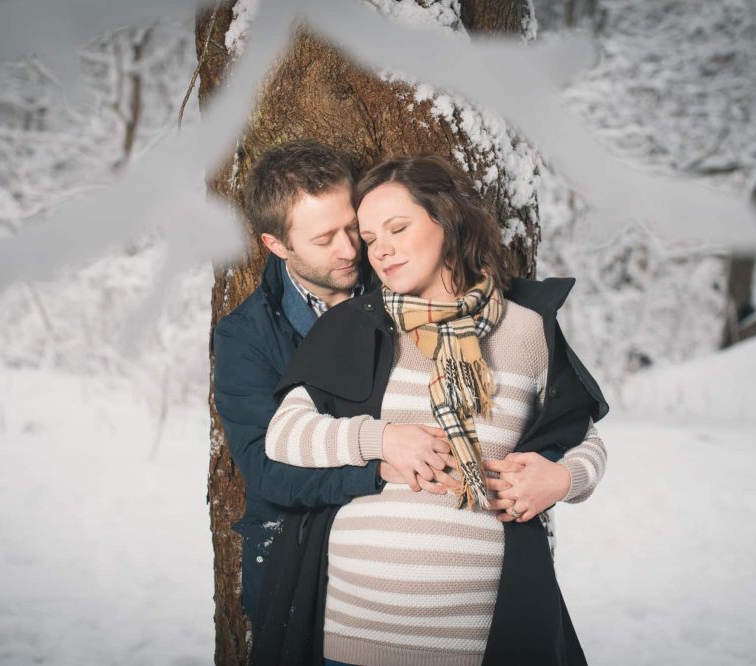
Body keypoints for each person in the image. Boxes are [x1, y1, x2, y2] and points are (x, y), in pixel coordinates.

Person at [255, 154, 609, 665]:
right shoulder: (357, 326)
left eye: (397, 228)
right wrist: (379, 438)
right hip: (354, 633)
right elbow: (285, 434)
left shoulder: (527, 331)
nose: (381, 250)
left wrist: (560, 480)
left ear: (446, 218)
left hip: (472, 638)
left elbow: (586, 441)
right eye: (371, 238)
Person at [212, 141, 459, 630]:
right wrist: (377, 467)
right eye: (325, 239)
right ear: (276, 245)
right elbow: (268, 470)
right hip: (296, 542)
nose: (350, 251)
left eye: (352, 228)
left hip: (417, 547)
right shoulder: (245, 337)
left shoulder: (405, 278)